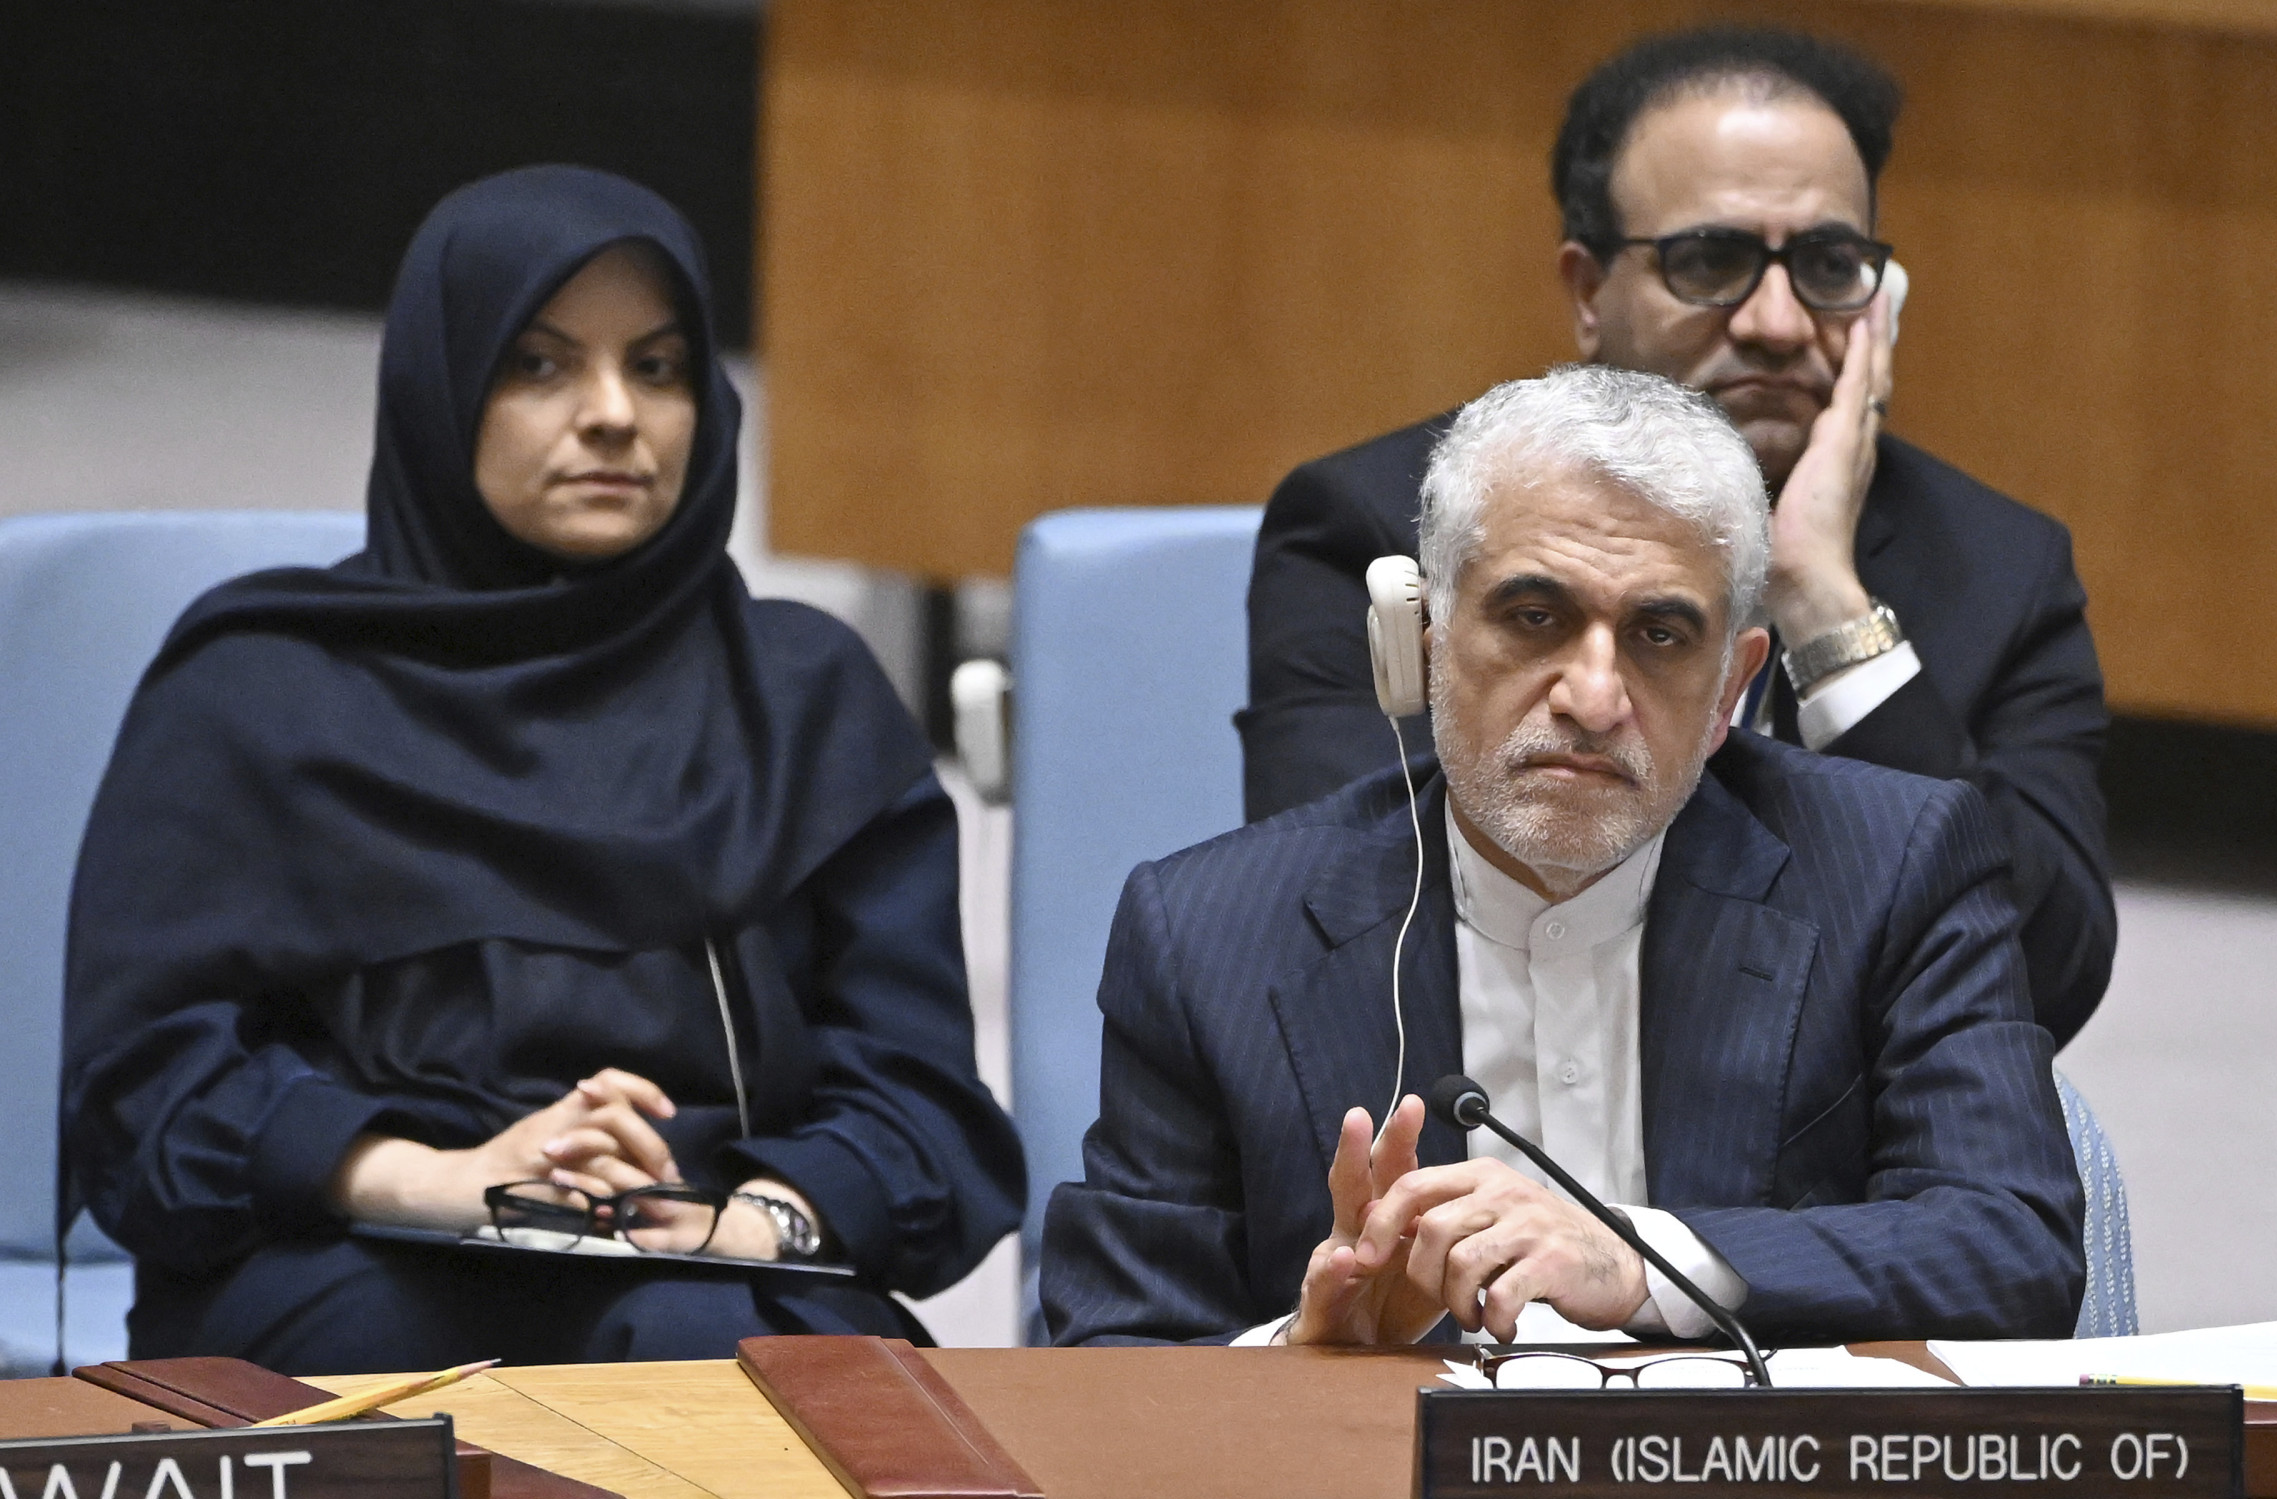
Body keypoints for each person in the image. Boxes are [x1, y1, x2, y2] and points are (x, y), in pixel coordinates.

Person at [60, 166, 1024, 1371]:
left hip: (719, 1267)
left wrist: (757, 1218)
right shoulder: (259, 689)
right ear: (441, 387)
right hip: (351, 1251)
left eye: (660, 367)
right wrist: (452, 1180)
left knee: (717, 1359)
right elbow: (143, 1094)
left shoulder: (804, 702)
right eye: (541, 364)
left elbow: (921, 1104)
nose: (614, 412)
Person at [1045, 366, 2082, 1348]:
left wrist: (1647, 1262)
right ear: (1419, 642)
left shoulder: (1895, 864)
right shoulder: (1209, 931)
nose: (1592, 697)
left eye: (1661, 635)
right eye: (1533, 617)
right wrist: (1294, 1353)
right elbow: (1112, 1345)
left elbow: (2011, 1244)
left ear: (1733, 687)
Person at [1237, 26, 2114, 1049]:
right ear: (1586, 292)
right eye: (1712, 260)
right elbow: (1333, 923)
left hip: (1825, 1146)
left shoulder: (1999, 568)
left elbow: (2042, 972)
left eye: (1829, 265)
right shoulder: (1384, 528)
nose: (1780, 322)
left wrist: (1822, 604)